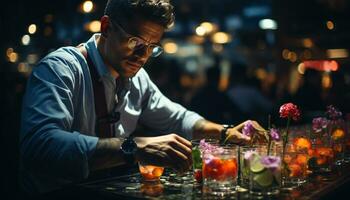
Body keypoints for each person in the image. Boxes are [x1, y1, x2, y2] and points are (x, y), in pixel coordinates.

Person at [19, 0, 263, 195]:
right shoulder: (60, 69)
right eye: (134, 41)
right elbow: (40, 146)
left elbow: (177, 118)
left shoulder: (138, 77)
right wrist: (133, 147)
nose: (142, 55)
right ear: (106, 27)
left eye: (151, 46)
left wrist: (224, 132)